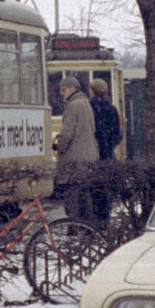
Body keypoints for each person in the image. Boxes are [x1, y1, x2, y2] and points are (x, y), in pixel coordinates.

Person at [55, 76, 98, 224]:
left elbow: (67, 133)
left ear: (73, 88)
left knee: (72, 196)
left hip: (74, 158)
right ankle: (88, 226)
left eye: (63, 90)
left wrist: (60, 148)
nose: (61, 93)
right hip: (87, 156)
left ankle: (73, 226)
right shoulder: (86, 103)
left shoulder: (73, 106)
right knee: (85, 196)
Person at [88, 78, 122, 223]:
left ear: (92, 91)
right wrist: (110, 145)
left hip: (94, 152)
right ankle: (105, 218)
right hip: (108, 153)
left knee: (94, 189)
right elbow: (118, 133)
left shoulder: (89, 108)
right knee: (106, 188)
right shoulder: (112, 108)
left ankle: (96, 220)